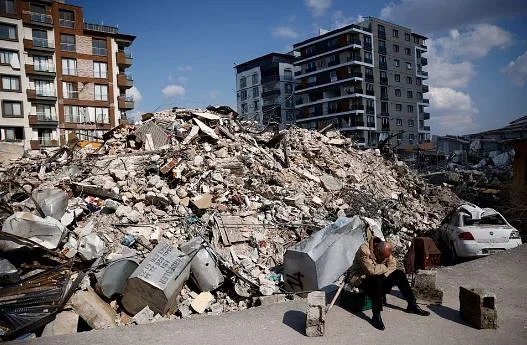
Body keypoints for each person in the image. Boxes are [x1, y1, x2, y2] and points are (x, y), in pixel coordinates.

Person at [347, 236, 430, 330]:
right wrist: (385, 267)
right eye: (382, 256)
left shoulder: (384, 248)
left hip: (378, 274)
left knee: (399, 274)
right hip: (361, 278)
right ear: (377, 249)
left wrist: (384, 270)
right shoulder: (364, 250)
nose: (383, 258)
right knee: (376, 278)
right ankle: (376, 315)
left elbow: (393, 264)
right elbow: (371, 270)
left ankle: (412, 304)